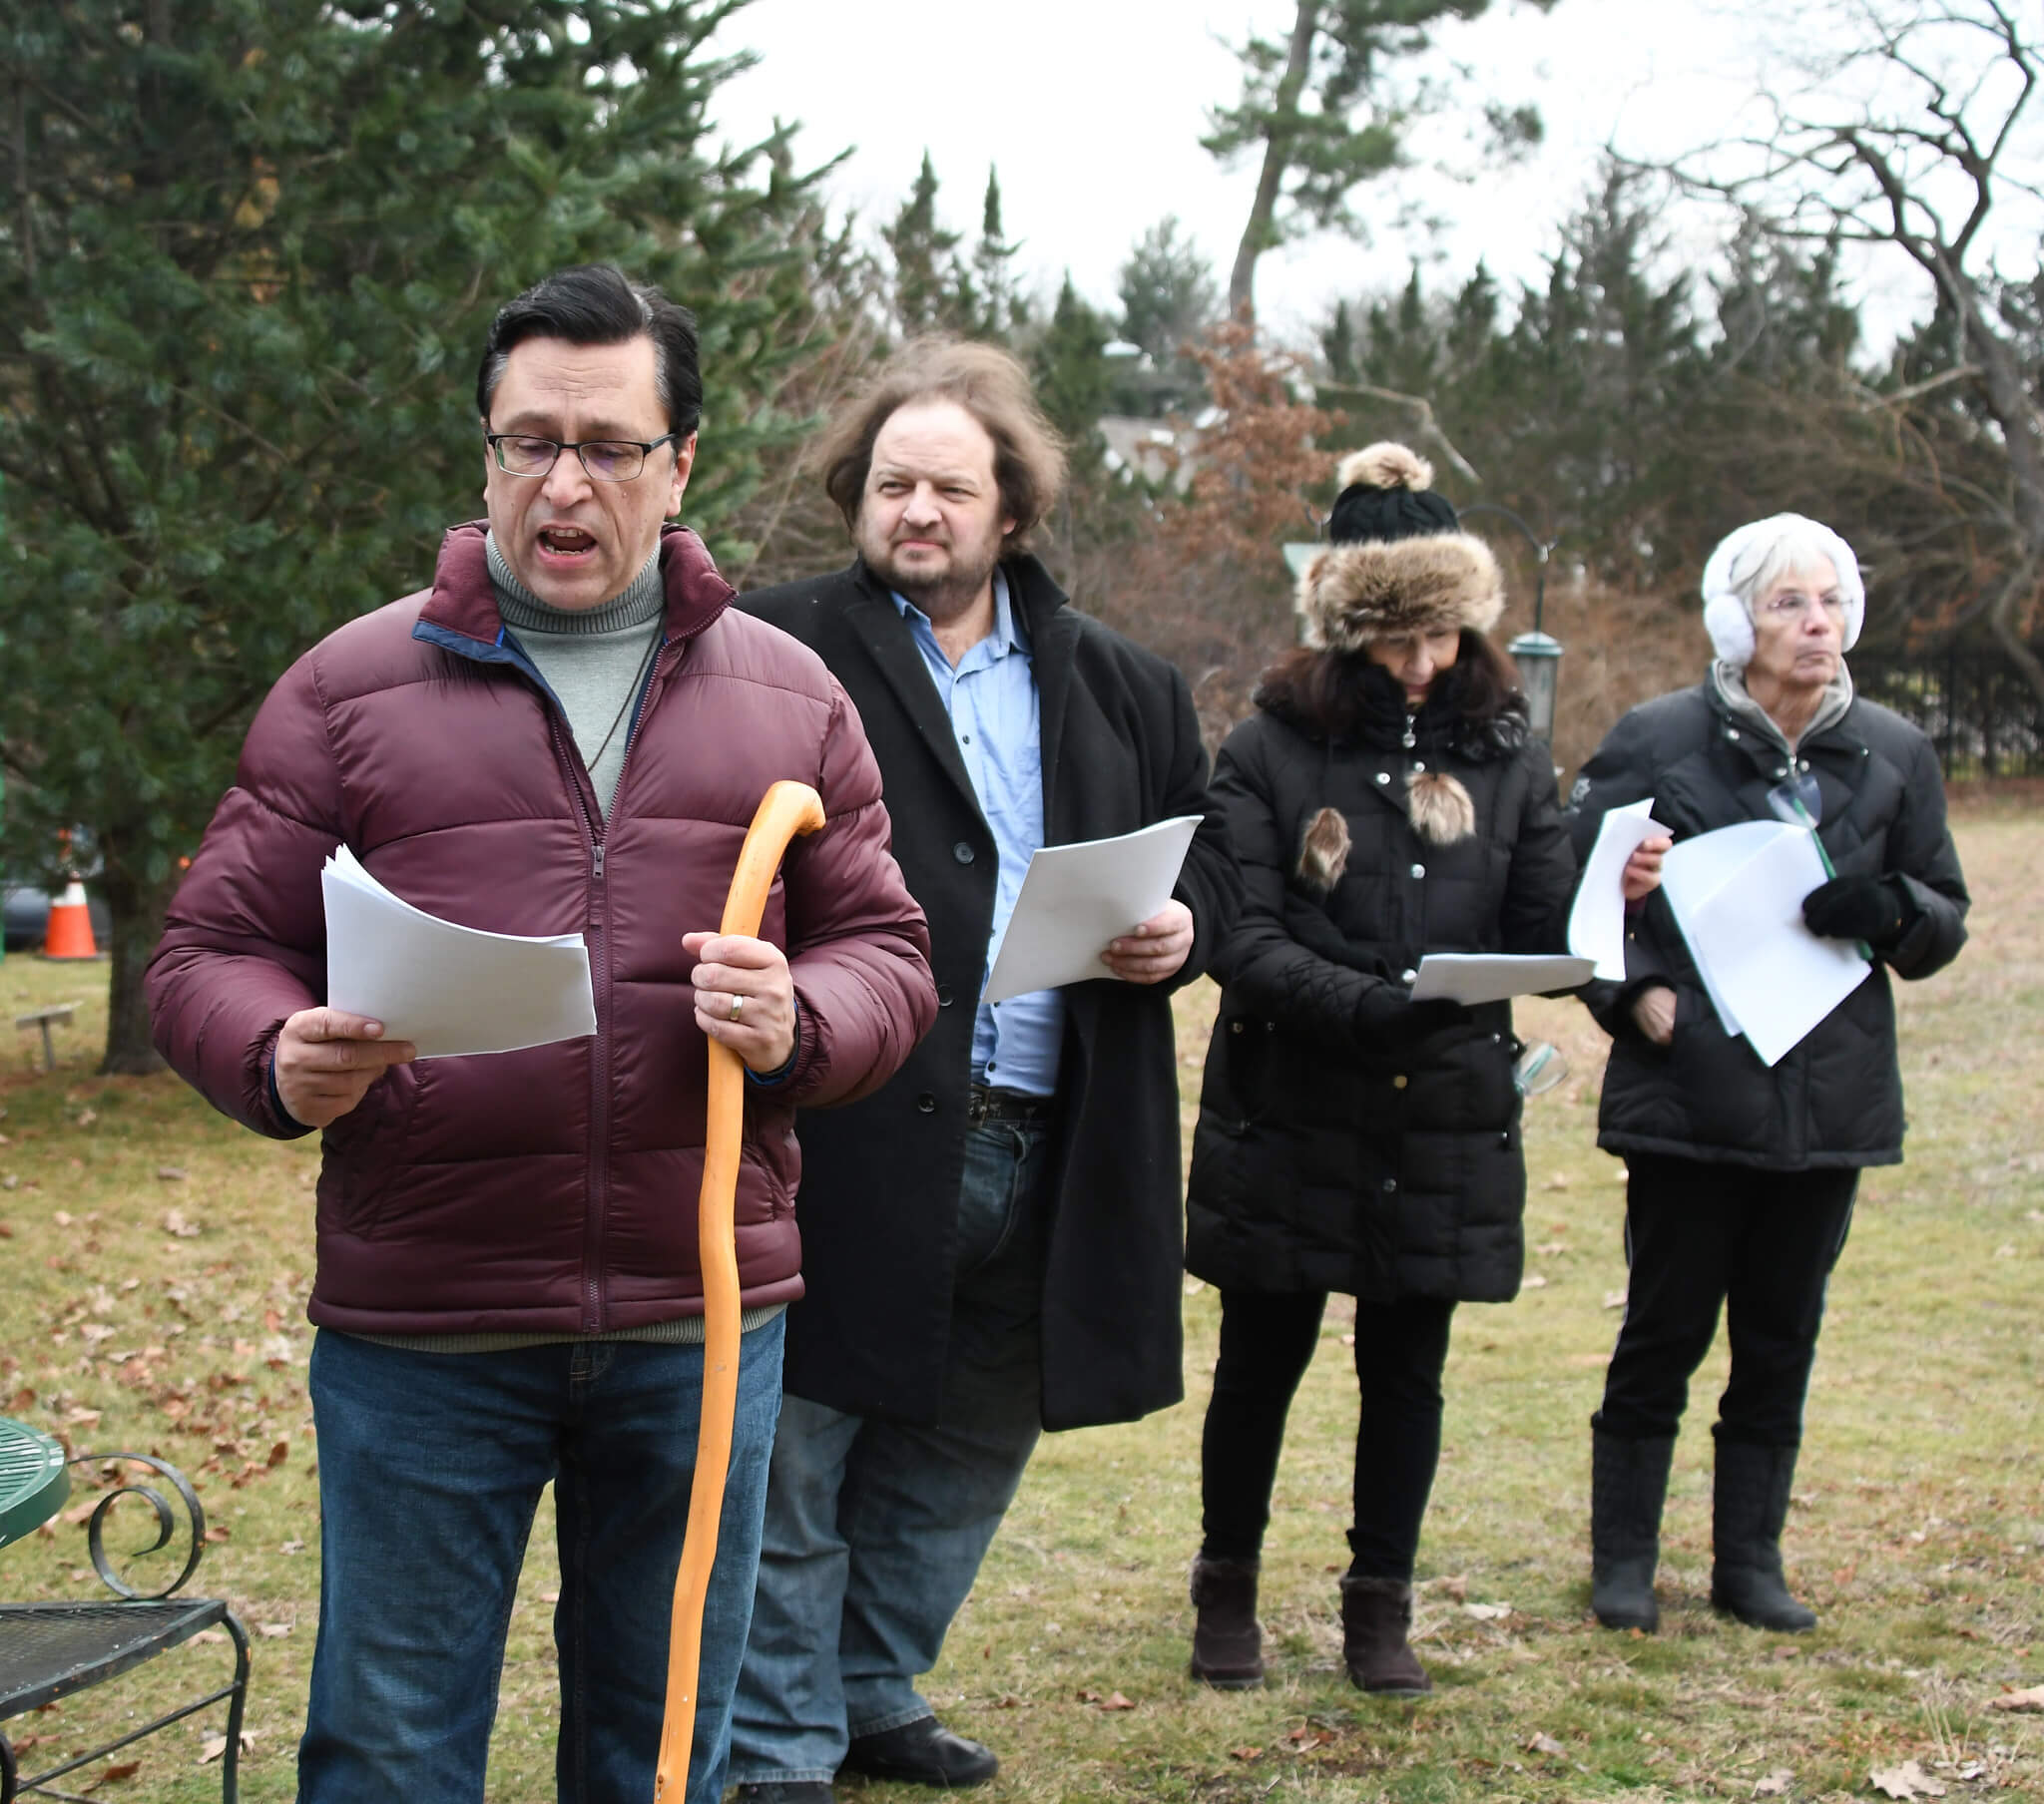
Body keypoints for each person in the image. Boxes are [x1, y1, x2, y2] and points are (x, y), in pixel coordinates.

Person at [145, 264, 937, 1804]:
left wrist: (802, 1018)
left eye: (608, 445)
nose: (562, 484)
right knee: (387, 1749)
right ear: (486, 454)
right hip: (426, 1326)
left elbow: (888, 954)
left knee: (660, 1757)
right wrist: (273, 1050)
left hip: (700, 1326)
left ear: (680, 464)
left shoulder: (791, 699)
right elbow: (208, 948)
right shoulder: (349, 689)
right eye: (527, 441)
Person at [725, 340, 1238, 1802]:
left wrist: (1189, 929)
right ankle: (777, 1744)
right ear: (857, 498)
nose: (919, 511)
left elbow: (1218, 859)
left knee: (974, 1436)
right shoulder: (777, 650)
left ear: (1013, 510)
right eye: (893, 484)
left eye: (952, 485)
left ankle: (870, 1687)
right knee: (803, 1439)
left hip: (1063, 1127)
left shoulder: (1124, 684)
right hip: (850, 1114)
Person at [1180, 443, 1604, 1698]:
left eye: (1440, 635)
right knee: (1261, 1360)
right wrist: (1366, 1007)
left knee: (1405, 1369)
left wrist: (1600, 887)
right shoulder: (1264, 751)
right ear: (1346, 630)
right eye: (1396, 637)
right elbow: (1240, 936)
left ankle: (1379, 1606)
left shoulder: (1508, 755)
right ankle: (1227, 1587)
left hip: (1445, 1114)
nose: (1421, 662)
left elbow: (1538, 929)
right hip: (1289, 1105)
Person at [1570, 512, 1968, 1635]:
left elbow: (1942, 915)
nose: (1815, 622)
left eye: (1830, 600)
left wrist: (1892, 910)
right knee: (1662, 1328)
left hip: (1827, 1096)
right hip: (1689, 1086)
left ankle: (1748, 1561)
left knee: (1780, 1335)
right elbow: (1580, 892)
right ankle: (1623, 1563)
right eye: (1788, 602)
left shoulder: (1890, 750)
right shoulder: (1656, 738)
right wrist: (1627, 992)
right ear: (1733, 620)